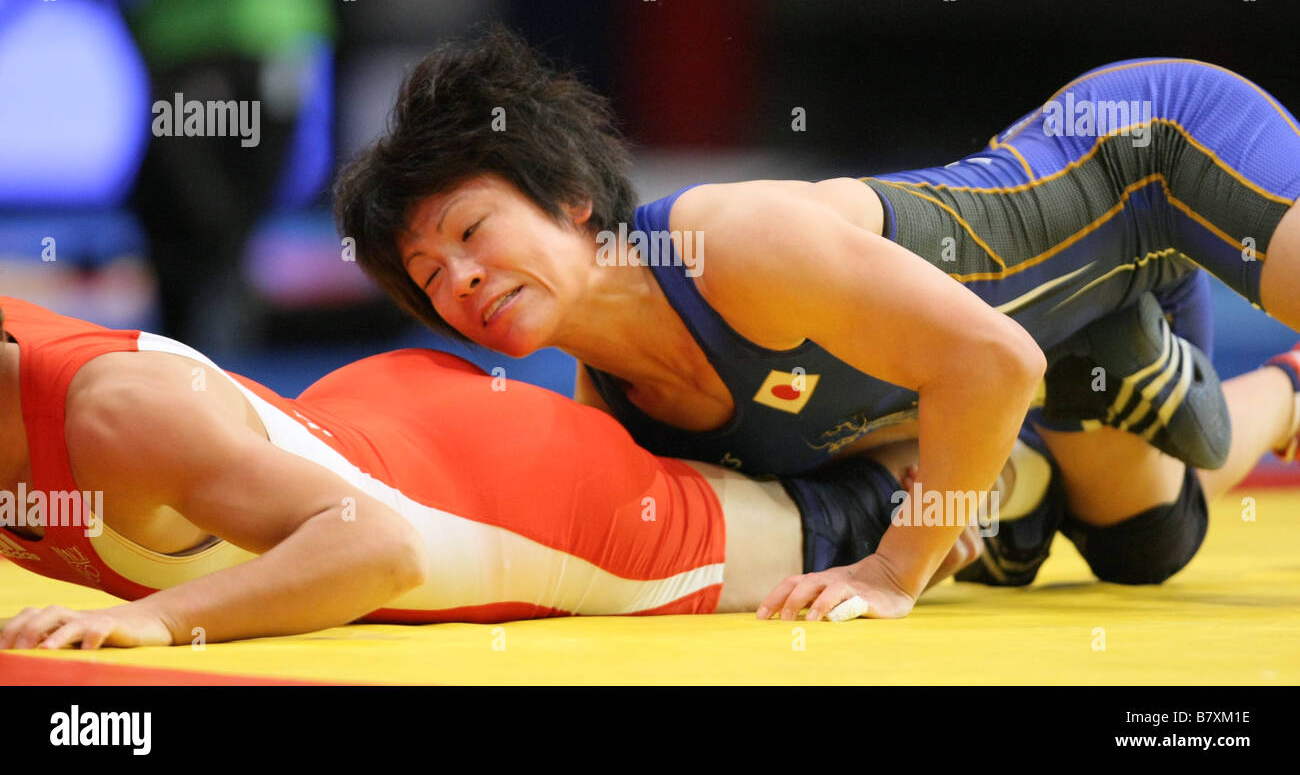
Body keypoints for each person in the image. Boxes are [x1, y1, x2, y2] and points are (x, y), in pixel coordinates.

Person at [334, 26, 1300, 618]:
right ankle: (1255, 382)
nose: (461, 278)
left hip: (1146, 161)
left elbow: (991, 360)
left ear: (572, 199)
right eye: (429, 276)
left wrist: (898, 565)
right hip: (1059, 336)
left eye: (470, 231)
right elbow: (907, 433)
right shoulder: (626, 411)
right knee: (1149, 546)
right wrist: (936, 509)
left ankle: (1141, 357)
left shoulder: (733, 245)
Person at [0, 296, 988, 649]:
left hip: (498, 501)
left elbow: (375, 544)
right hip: (373, 426)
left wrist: (163, 618)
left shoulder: (118, 413)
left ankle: (1020, 456)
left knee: (841, 528)